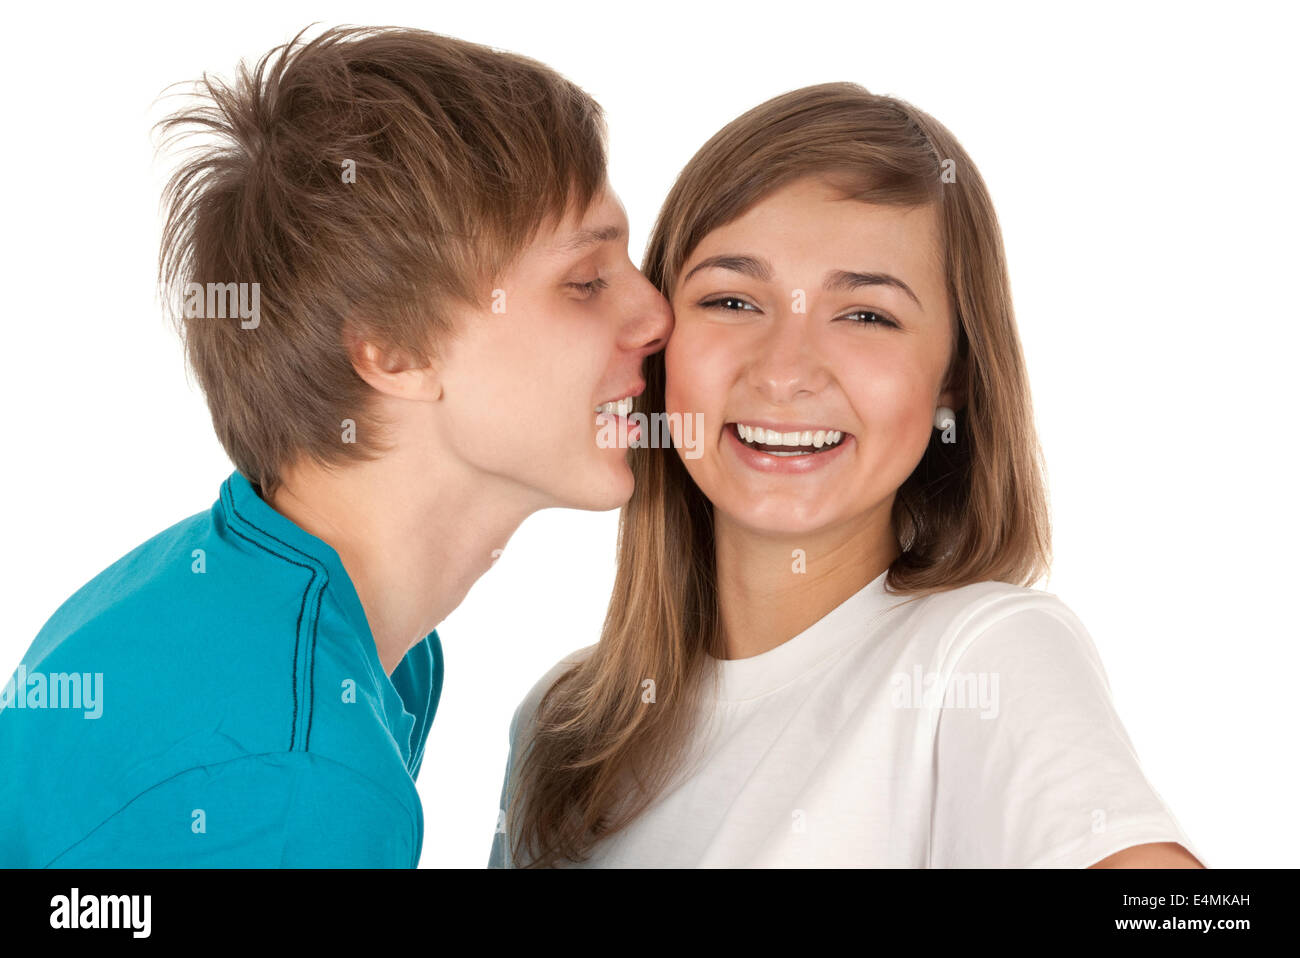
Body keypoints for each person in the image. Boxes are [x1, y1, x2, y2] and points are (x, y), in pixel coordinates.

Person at [0, 25, 670, 868]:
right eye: (585, 283)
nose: (654, 316)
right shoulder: (297, 773)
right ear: (391, 348)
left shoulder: (332, 632)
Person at [490, 83, 1205, 868]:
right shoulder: (560, 727)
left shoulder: (979, 657)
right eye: (731, 300)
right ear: (657, 339)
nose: (785, 372)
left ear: (953, 379)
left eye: (867, 315)